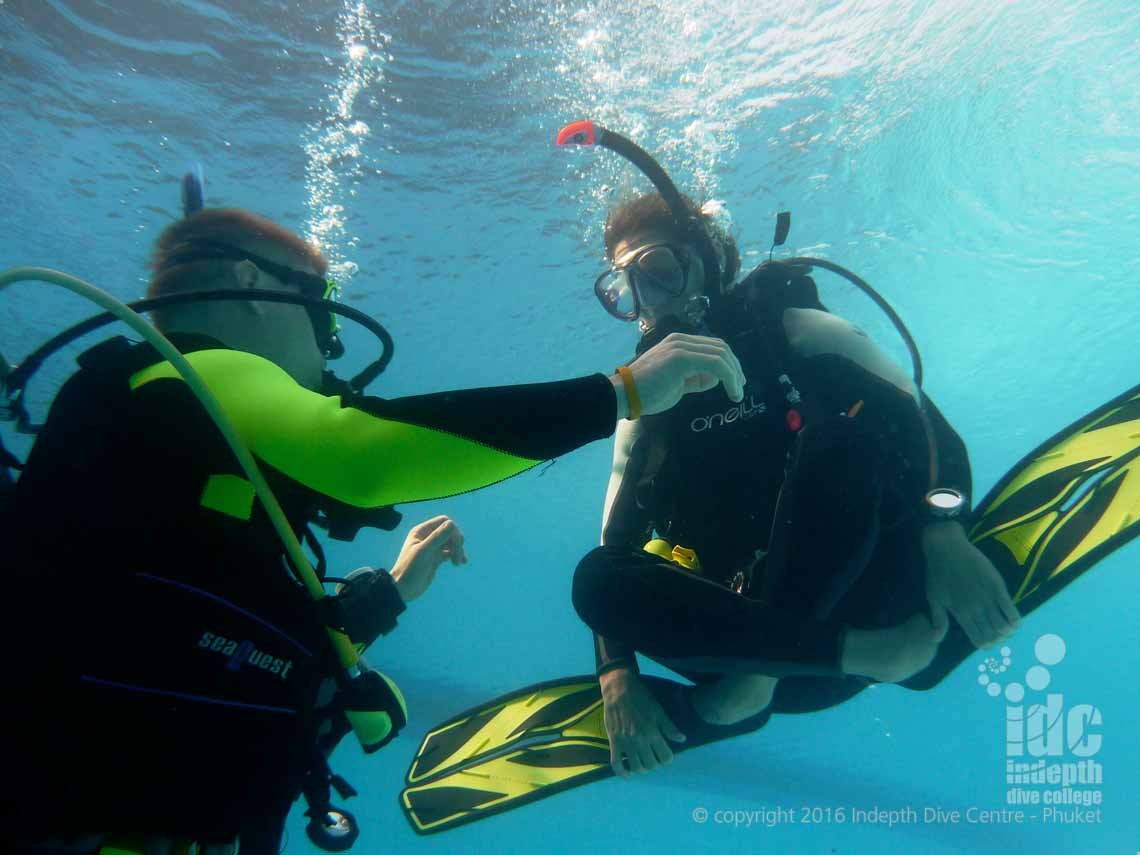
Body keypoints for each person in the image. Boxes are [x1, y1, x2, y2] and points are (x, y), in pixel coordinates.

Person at [0, 207, 746, 854]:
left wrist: (390, 593)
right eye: (320, 308)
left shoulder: (178, 449)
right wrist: (619, 391)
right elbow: (366, 454)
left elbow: (212, 626)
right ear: (253, 285)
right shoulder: (186, 373)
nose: (329, 346)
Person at [569, 188, 1023, 779]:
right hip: (753, 650)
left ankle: (730, 702)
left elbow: (919, 422)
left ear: (704, 259)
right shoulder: (646, 403)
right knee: (594, 578)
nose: (649, 300)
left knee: (839, 440)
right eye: (625, 289)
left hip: (870, 612)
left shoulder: (789, 328)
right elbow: (615, 547)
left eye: (659, 269)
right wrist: (617, 675)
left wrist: (943, 532)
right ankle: (776, 674)